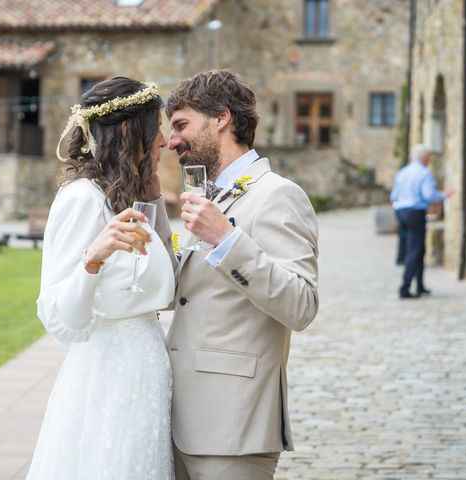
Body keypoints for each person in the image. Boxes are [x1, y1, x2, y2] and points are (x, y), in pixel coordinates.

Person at [165, 69, 319, 480]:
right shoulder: (205, 195)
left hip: (234, 423)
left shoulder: (279, 195)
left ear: (221, 118)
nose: (172, 140)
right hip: (178, 417)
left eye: (181, 125)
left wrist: (228, 241)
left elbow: (302, 305)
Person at [27, 77, 177, 479]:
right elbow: (60, 315)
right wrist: (90, 262)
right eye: (156, 128)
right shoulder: (82, 199)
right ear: (129, 132)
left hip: (145, 366)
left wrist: (156, 198)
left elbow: (168, 285)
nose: (163, 141)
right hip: (109, 375)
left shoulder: (124, 197)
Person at [390, 144, 452, 299]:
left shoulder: (403, 172)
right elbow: (429, 196)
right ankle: (405, 288)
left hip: (401, 212)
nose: (430, 160)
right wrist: (445, 194)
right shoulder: (424, 173)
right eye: (429, 157)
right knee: (415, 250)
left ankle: (420, 285)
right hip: (415, 213)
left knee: (417, 248)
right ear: (425, 158)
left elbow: (394, 196)